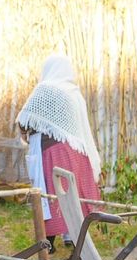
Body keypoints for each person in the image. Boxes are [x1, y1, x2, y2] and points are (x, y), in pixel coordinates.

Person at [17, 54, 104, 246]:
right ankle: (73, 240)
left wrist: (26, 132)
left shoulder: (46, 89)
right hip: (75, 153)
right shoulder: (74, 93)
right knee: (71, 195)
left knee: (52, 193)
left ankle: (49, 241)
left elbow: (24, 119)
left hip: (54, 151)